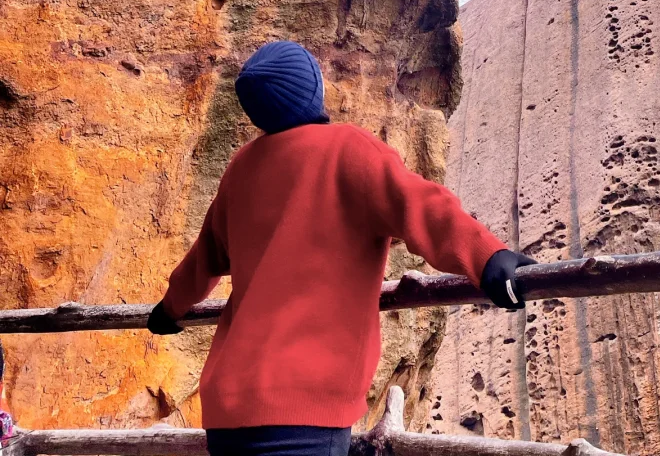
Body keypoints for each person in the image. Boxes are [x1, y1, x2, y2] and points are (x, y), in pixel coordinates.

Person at [148, 41, 532, 456]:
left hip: (228, 407)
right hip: (303, 406)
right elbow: (423, 209)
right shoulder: (348, 149)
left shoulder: (241, 169)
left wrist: (168, 311)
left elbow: (202, 262)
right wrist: (489, 257)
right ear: (311, 90)